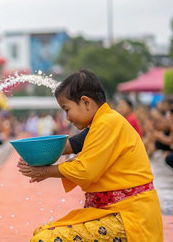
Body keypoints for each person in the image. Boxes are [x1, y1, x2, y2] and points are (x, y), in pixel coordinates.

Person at [17, 69, 163, 241]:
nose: (67, 118)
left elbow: (86, 170)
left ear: (86, 102)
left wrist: (45, 171)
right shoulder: (100, 123)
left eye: (67, 109)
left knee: (46, 239)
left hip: (129, 217)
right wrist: (37, 157)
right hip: (116, 212)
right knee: (42, 232)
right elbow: (72, 145)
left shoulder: (107, 123)